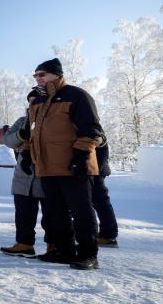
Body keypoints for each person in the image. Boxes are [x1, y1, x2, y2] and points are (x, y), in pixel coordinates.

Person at [24, 58, 103, 270]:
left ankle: (88, 254)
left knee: (81, 211)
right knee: (55, 213)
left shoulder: (76, 95)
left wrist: (80, 158)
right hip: (46, 167)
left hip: (74, 166)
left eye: (42, 74)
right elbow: (31, 133)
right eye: (35, 75)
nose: (38, 78)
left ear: (57, 74)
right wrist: (27, 155)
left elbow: (91, 130)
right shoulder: (38, 101)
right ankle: (64, 251)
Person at [0, 88, 48, 257]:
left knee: (51, 215)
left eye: (35, 101)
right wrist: (21, 135)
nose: (31, 104)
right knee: (23, 214)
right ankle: (24, 244)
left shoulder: (50, 121)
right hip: (23, 175)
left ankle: (54, 245)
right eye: (30, 101)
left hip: (45, 174)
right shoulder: (22, 121)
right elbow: (8, 140)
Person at [93, 131, 119, 247]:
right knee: (99, 202)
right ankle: (107, 235)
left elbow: (101, 143)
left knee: (101, 202)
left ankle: (108, 236)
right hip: (95, 168)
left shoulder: (89, 124)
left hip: (95, 170)